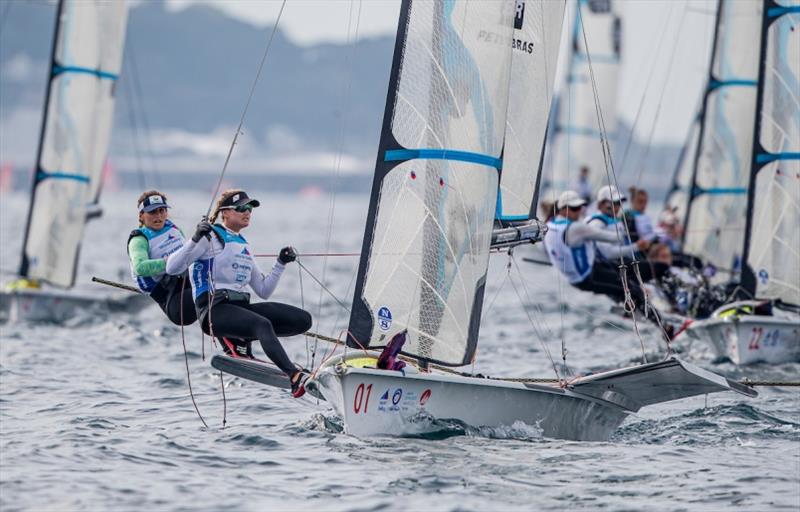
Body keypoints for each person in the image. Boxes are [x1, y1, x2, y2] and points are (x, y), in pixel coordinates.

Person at [167, 189, 313, 398]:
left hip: (240, 308)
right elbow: (172, 268)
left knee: (302, 320)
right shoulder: (210, 237)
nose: (247, 212)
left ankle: (240, 343)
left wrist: (280, 263)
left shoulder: (242, 243)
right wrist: (195, 237)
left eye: (250, 209)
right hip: (214, 310)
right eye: (241, 208)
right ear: (225, 213)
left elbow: (263, 290)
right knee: (261, 324)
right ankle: (293, 375)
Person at [545, 190, 656, 313]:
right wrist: (627, 231)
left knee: (625, 282)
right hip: (587, 276)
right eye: (574, 209)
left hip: (577, 275)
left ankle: (629, 306)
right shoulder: (577, 227)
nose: (578, 212)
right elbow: (616, 238)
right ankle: (661, 324)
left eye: (579, 208)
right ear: (563, 209)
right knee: (633, 289)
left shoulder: (550, 225)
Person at [128, 190, 197, 325]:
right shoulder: (139, 239)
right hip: (174, 301)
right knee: (213, 294)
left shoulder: (173, 229)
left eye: (162, 211)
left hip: (189, 284)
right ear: (142, 216)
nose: (158, 216)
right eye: (152, 212)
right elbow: (139, 267)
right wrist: (170, 262)